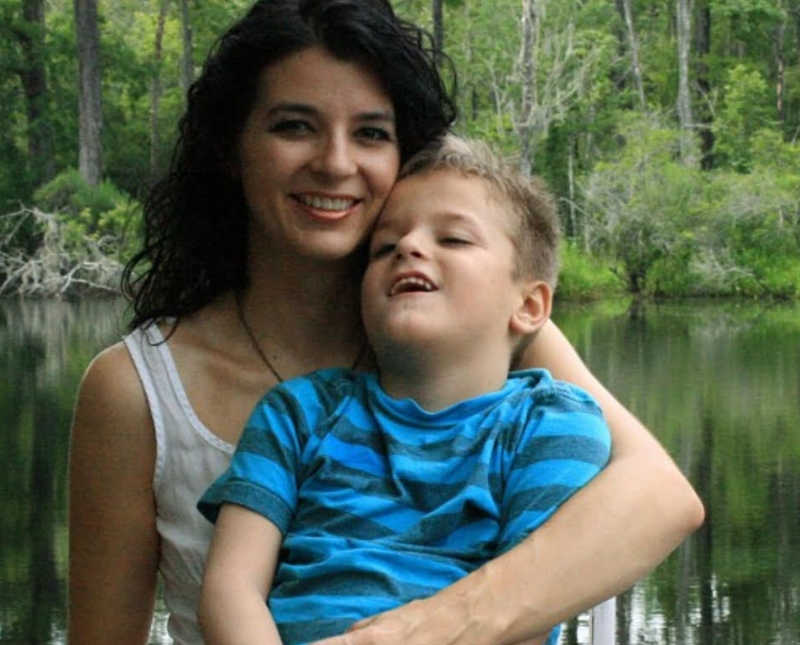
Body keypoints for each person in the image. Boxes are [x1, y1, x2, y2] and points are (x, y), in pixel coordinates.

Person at [68, 1, 704, 644]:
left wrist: (411, 633)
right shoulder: (139, 389)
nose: (336, 164)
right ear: (232, 150)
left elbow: (658, 497)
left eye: (371, 133)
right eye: (295, 126)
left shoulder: (479, 332)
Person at [196, 135, 612, 645]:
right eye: (385, 247)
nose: (411, 248)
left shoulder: (551, 425)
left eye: (454, 239)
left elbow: (527, 608)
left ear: (528, 306)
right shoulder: (299, 413)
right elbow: (231, 588)